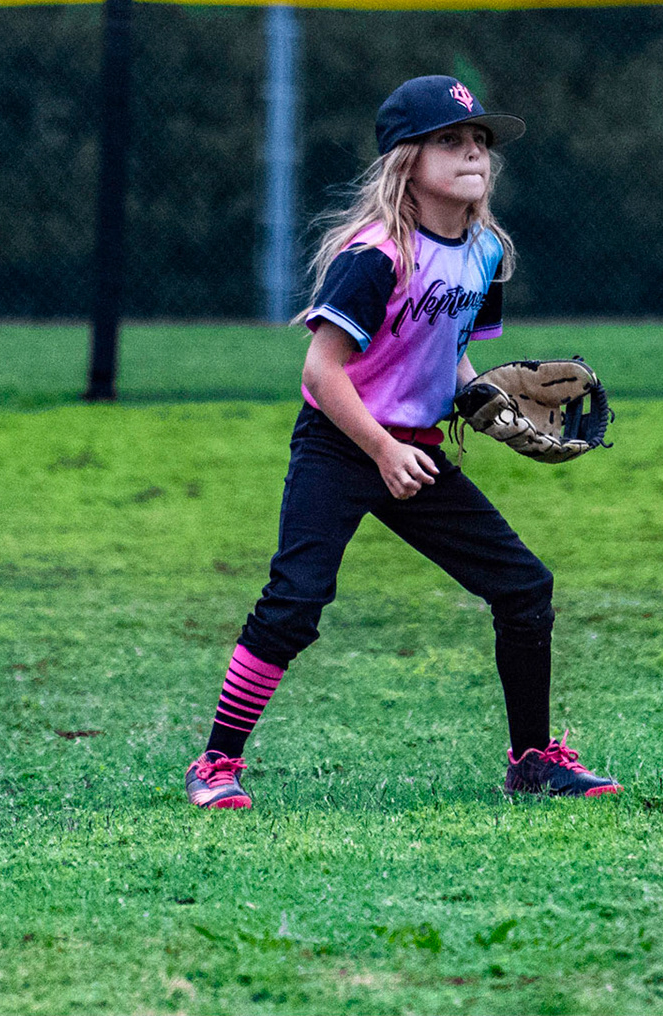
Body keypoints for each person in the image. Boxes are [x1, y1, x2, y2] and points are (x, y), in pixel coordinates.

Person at [184, 75, 618, 809]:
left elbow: (447, 355)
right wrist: (381, 451)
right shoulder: (377, 255)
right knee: (295, 602)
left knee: (525, 586)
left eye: (479, 140)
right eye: (449, 140)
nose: (473, 152)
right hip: (341, 440)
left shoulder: (483, 252)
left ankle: (533, 760)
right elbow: (322, 372)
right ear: (405, 160)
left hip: (416, 446)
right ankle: (216, 763)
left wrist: (488, 404)